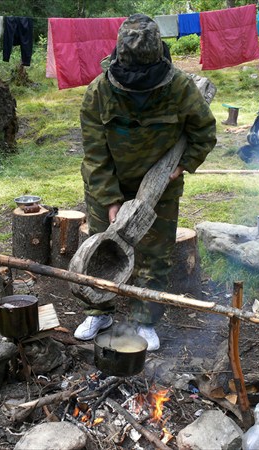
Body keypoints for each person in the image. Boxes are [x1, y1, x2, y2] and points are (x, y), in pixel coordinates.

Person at [73, 14, 217, 351]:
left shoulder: (178, 87)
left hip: (160, 187)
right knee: (100, 247)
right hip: (108, 183)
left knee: (155, 254)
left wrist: (183, 165)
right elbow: (95, 154)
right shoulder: (100, 91)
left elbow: (204, 132)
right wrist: (110, 200)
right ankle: (99, 311)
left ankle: (145, 320)